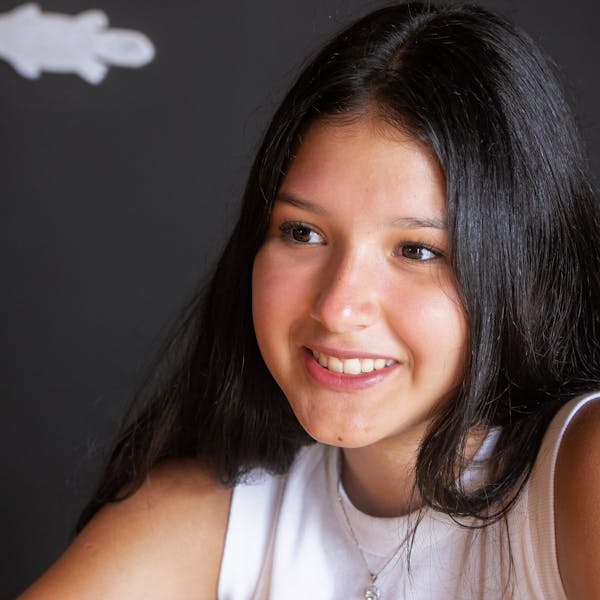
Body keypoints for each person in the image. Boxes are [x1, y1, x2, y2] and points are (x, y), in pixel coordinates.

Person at [19, 2, 600, 598]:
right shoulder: (212, 515)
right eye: (303, 233)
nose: (337, 307)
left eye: (417, 251)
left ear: (529, 271)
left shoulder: (581, 472)